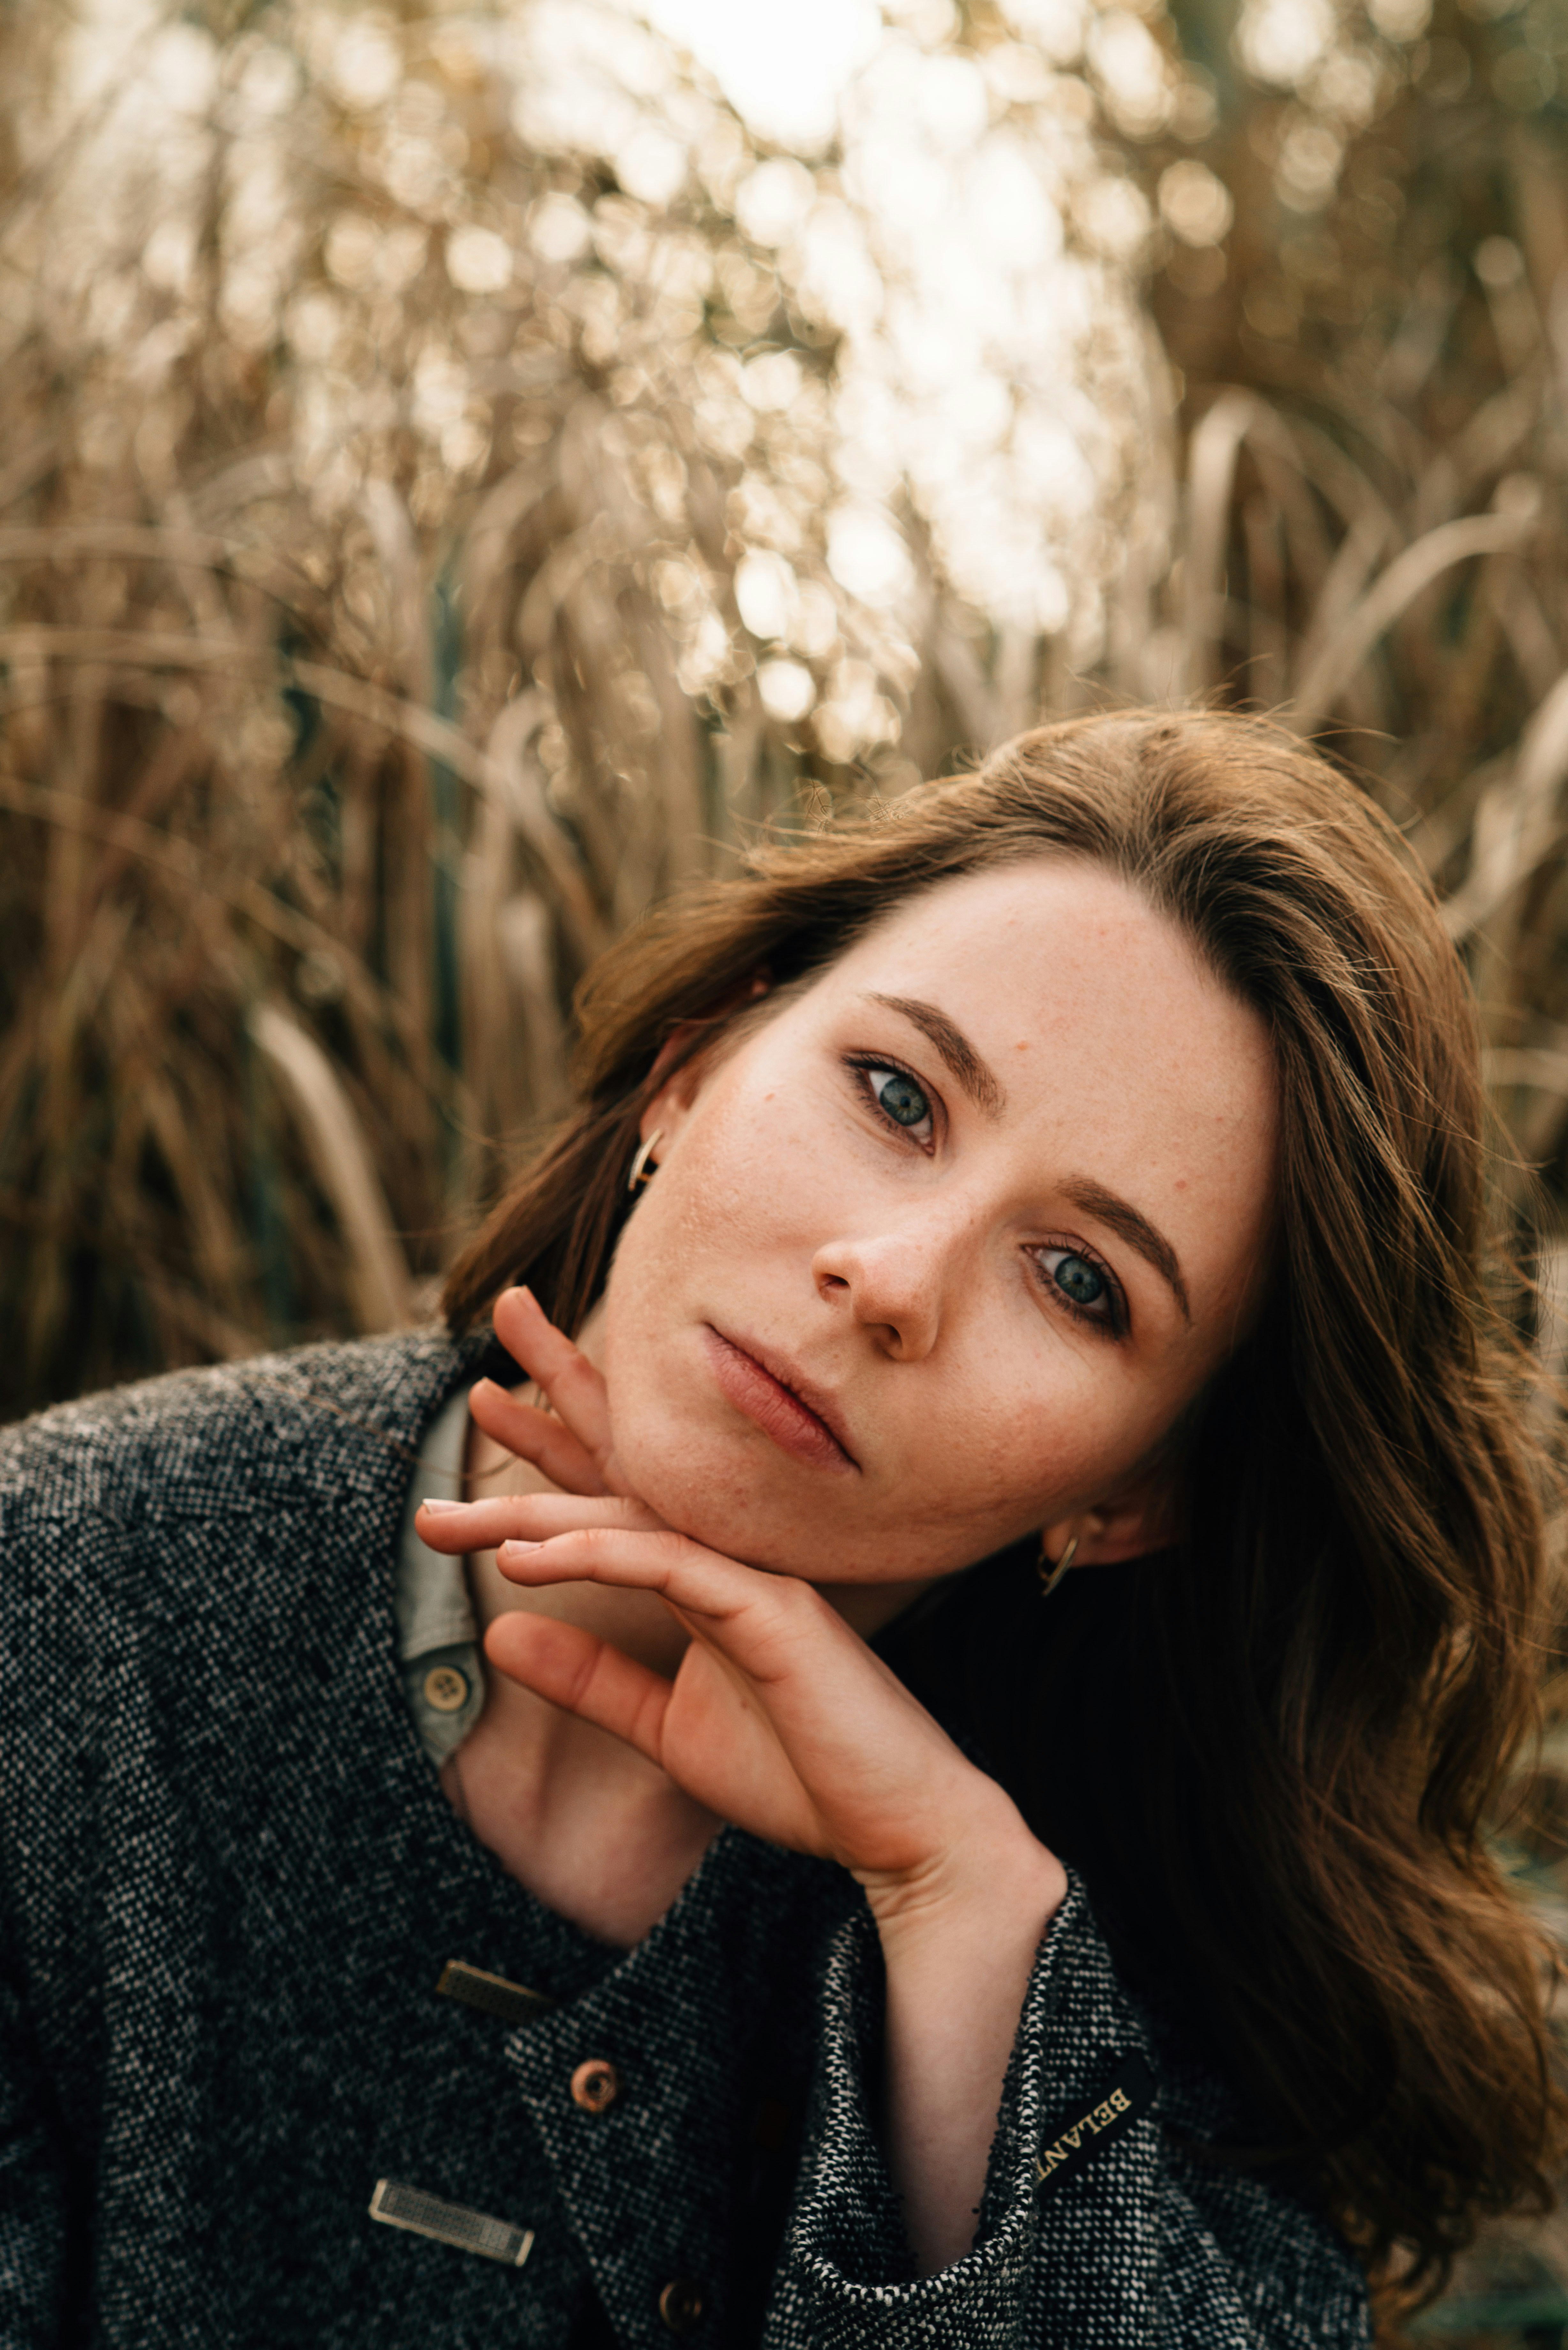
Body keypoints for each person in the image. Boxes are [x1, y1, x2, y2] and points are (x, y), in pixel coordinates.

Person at [0, 709, 1559, 2348]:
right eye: (893, 1092)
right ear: (692, 1064)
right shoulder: (68, 1600)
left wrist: (961, 1925)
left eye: (1080, 1281)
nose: (889, 1279)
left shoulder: (1144, 1914)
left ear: (1132, 1494)